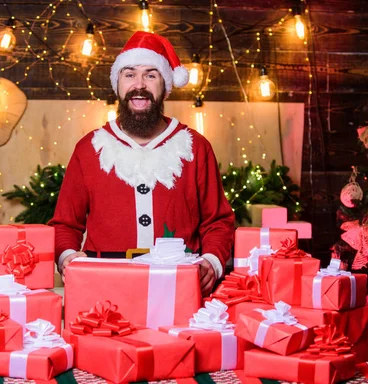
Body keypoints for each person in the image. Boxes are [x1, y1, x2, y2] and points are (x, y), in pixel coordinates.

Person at [49, 31, 235, 296]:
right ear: (118, 84)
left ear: (165, 86)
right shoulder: (89, 148)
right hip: (104, 287)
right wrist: (67, 256)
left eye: (150, 74)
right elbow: (65, 225)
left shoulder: (196, 147)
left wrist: (213, 261)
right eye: (129, 74)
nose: (139, 84)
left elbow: (218, 221)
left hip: (177, 286)